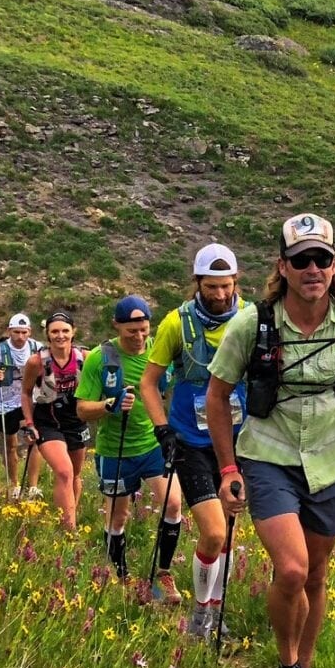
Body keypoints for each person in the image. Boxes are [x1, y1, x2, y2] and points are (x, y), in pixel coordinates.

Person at [207, 214, 335, 668]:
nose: (313, 268)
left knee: (316, 573)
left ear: (334, 265)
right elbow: (217, 397)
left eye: (322, 259)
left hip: (331, 458)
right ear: (283, 266)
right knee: (292, 569)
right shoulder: (252, 326)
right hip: (269, 456)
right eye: (301, 259)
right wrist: (228, 470)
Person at [142, 243, 248, 636]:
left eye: (226, 286)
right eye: (210, 286)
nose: (219, 294)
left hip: (237, 441)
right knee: (214, 531)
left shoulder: (251, 318)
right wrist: (162, 428)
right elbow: (149, 383)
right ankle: (201, 615)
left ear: (236, 281)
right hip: (191, 440)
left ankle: (216, 612)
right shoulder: (176, 323)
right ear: (197, 283)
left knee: (228, 535)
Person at [74, 296, 169, 582]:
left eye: (144, 330)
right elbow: (82, 410)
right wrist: (108, 405)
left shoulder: (158, 351)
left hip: (153, 444)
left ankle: (163, 574)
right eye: (131, 331)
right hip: (115, 450)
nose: (139, 337)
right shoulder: (99, 358)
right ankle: (120, 574)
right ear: (116, 325)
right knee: (118, 516)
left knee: (173, 504)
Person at [21, 310, 91, 530]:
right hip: (48, 421)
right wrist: (29, 424)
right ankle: (69, 529)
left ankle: (68, 521)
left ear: (73, 332)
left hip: (76, 420)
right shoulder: (36, 362)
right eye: (55, 332)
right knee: (63, 471)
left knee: (75, 474)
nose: (60, 336)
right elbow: (25, 393)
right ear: (48, 335)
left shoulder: (85, 357)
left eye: (65, 331)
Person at [0, 313, 43, 499]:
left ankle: (33, 487)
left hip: (29, 400)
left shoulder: (37, 348)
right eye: (16, 332)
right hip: (4, 403)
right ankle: (14, 485)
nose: (20, 337)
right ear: (9, 331)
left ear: (29, 332)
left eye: (24, 332)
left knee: (34, 440)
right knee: (11, 445)